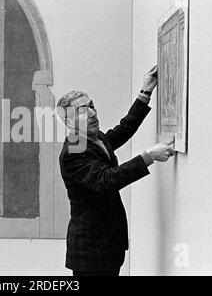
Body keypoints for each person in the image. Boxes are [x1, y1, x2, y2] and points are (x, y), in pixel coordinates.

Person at [57, 66, 175, 276]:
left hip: (108, 245)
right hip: (91, 253)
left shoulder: (95, 138)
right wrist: (149, 156)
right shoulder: (73, 151)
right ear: (68, 122)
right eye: (82, 110)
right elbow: (106, 180)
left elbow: (123, 129)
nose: (92, 113)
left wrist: (145, 92)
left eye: (91, 106)